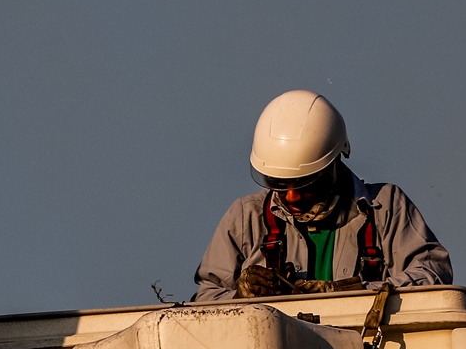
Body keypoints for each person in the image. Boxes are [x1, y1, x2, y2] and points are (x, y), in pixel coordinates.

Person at [192, 90, 452, 301]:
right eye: (279, 184)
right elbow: (205, 299)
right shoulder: (246, 218)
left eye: (304, 184)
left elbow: (433, 274)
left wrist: (358, 292)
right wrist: (241, 296)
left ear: (333, 166)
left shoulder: (384, 208)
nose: (291, 197)